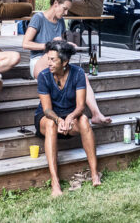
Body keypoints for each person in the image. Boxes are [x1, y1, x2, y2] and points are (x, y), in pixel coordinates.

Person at [23, 0, 112, 124]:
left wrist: (67, 45)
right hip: (39, 61)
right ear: (55, 4)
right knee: (54, 54)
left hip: (56, 61)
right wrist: (50, 45)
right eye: (64, 9)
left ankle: (96, 114)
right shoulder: (38, 18)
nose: (66, 13)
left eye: (67, 10)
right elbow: (25, 44)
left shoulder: (60, 22)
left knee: (82, 77)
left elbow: (59, 47)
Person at [35, 40, 101, 197]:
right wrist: (59, 120)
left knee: (84, 120)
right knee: (51, 124)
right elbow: (47, 109)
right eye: (48, 59)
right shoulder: (44, 76)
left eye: (53, 60)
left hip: (70, 117)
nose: (48, 63)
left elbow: (80, 106)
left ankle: (94, 173)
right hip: (48, 118)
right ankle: (55, 182)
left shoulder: (78, 74)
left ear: (65, 62)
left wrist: (70, 117)